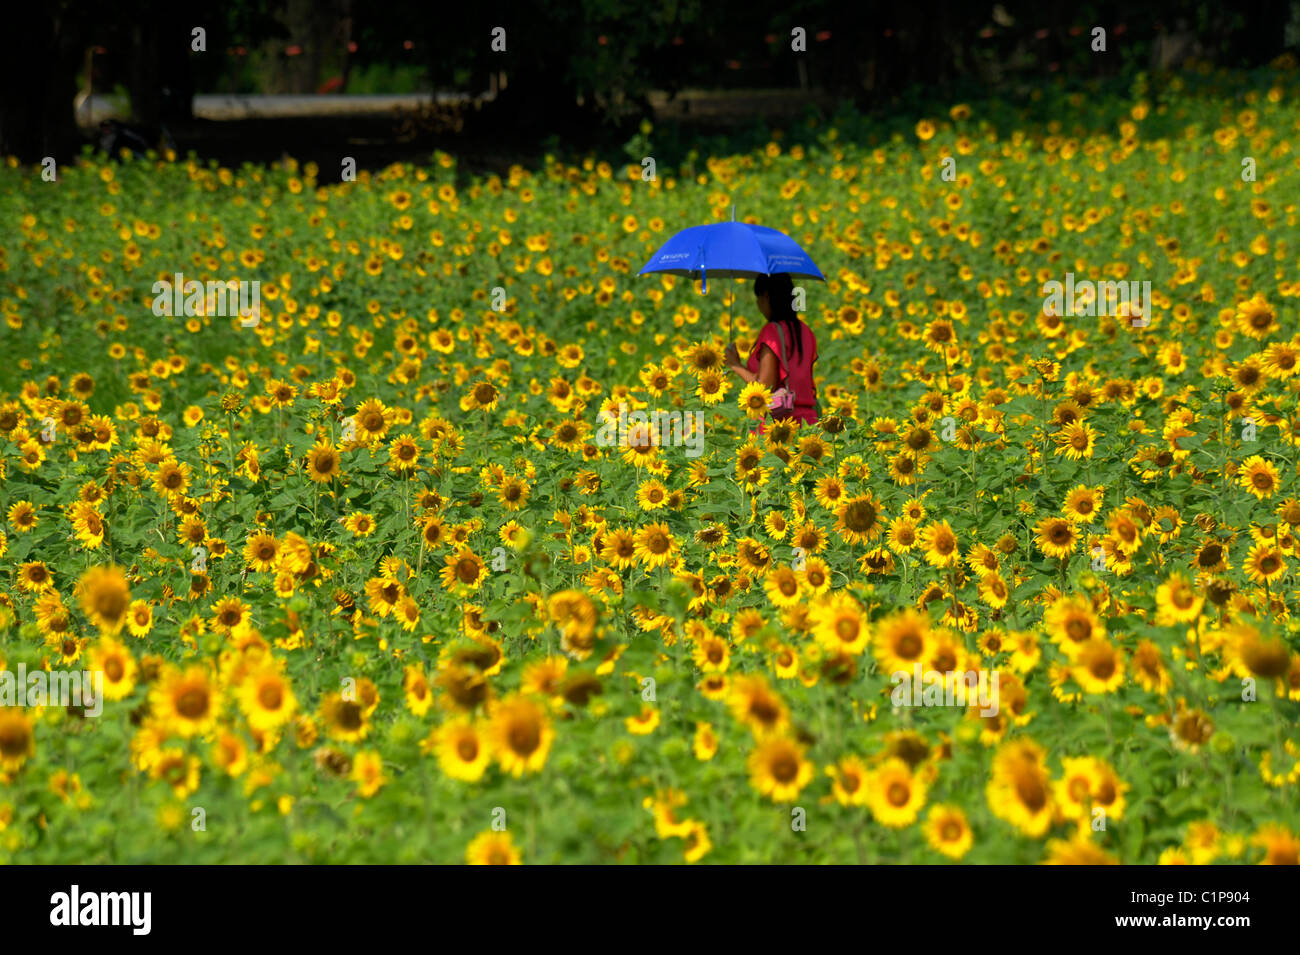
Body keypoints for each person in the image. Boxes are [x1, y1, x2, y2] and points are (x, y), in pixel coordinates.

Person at [724, 273, 819, 428]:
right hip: (808, 423)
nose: (758, 304)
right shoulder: (805, 331)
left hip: (778, 427)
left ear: (766, 296)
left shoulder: (772, 331)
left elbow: (765, 387)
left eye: (758, 298)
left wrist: (735, 365)